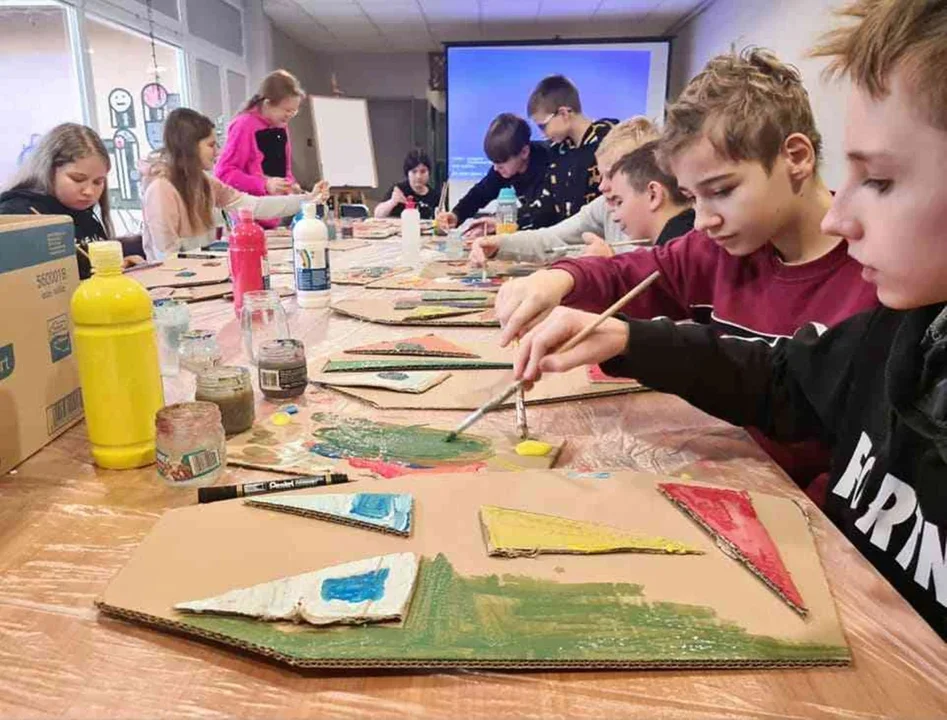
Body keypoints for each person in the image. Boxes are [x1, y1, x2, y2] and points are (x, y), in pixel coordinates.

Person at [511, 0, 947, 640]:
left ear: (795, 158)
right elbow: (780, 379)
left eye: (878, 179)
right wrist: (606, 317)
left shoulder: (887, 297)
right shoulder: (899, 327)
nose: (838, 218)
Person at [497, 48, 880, 488]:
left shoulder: (878, 278)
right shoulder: (719, 250)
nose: (702, 220)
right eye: (693, 197)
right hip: (738, 475)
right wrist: (558, 278)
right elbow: (632, 272)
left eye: (721, 191)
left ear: (795, 157)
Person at [468, 117, 659, 265]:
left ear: (653, 193)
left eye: (610, 176)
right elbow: (553, 239)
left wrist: (611, 264)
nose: (602, 186)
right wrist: (499, 244)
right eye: (601, 176)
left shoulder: (678, 239)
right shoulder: (603, 206)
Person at [140, 108, 319, 260]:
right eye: (211, 145)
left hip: (203, 279)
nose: (217, 152)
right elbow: (168, 257)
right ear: (189, 147)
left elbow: (254, 205)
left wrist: (307, 199)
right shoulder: (160, 190)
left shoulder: (205, 183)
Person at [0, 123, 139, 279]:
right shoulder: (17, 215)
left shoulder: (85, 215)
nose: (89, 192)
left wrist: (120, 267)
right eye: (77, 179)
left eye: (98, 182)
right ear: (49, 169)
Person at [215, 69, 327, 228]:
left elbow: (283, 170)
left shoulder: (280, 126)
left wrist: (292, 187)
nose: (290, 115)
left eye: (294, 111)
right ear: (267, 104)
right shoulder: (244, 125)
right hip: (248, 218)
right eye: (286, 110)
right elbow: (224, 173)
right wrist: (263, 184)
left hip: (275, 215)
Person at [436, 113, 557, 235]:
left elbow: (544, 209)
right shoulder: (504, 167)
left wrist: (501, 222)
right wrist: (456, 214)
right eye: (494, 163)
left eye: (500, 164)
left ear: (524, 152)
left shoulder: (551, 162)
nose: (496, 169)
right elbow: (481, 192)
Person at [526, 74, 618, 220]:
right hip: (570, 238)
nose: (543, 134)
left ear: (563, 113)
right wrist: (513, 221)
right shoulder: (559, 152)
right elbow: (545, 207)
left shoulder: (610, 142)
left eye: (543, 126)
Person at [374, 149, 440, 219]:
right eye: (414, 172)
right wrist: (392, 202)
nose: (418, 176)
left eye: (423, 171)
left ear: (429, 173)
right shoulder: (399, 189)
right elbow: (377, 215)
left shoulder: (434, 195)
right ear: (407, 173)